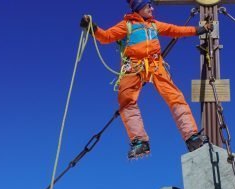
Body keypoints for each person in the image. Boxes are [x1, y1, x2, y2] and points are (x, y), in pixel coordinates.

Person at [80, 0, 213, 159]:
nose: (151, 8)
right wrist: (92, 28)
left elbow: (175, 30)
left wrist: (199, 30)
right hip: (133, 66)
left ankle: (192, 136)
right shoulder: (127, 25)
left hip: (155, 65)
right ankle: (139, 141)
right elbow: (107, 36)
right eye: (148, 5)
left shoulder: (154, 25)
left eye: (151, 4)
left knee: (174, 97)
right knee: (126, 99)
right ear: (139, 8)